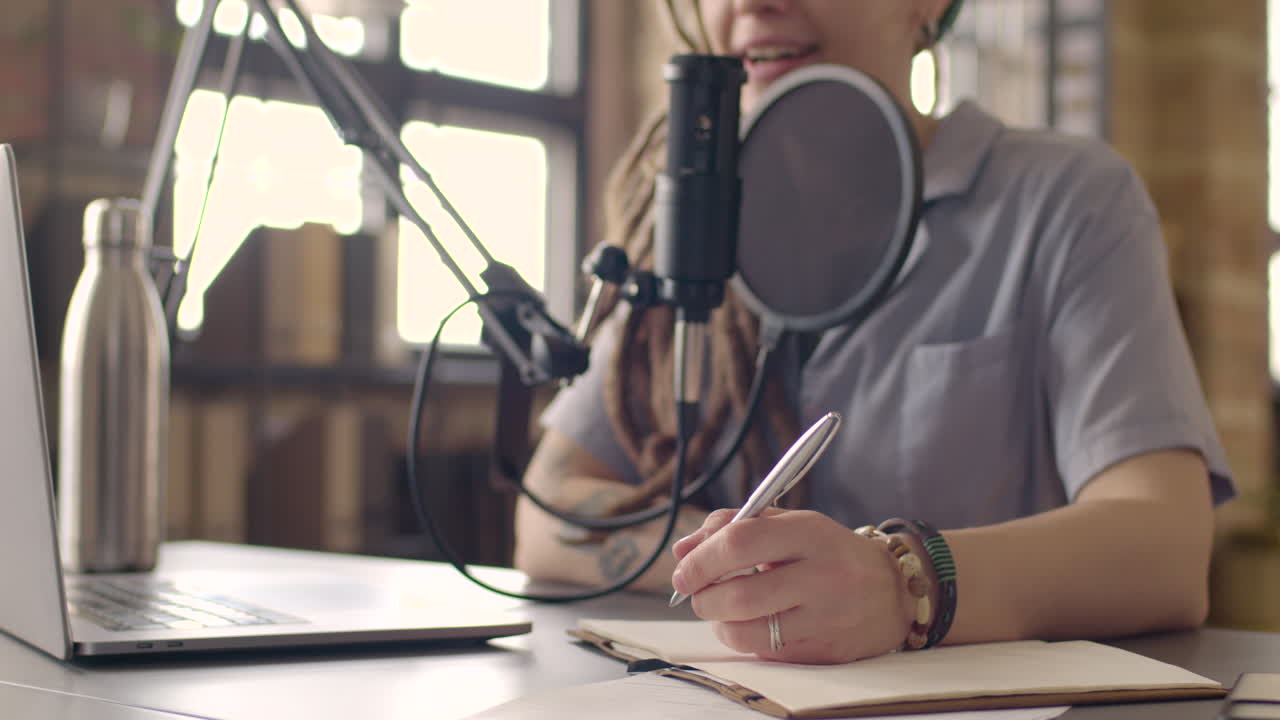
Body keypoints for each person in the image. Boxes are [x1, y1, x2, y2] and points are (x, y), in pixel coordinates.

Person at [512, 0, 1234, 665]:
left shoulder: (1068, 201)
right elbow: (546, 515)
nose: (753, 3)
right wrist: (740, 564)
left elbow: (1163, 547)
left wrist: (903, 584)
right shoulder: (693, 233)